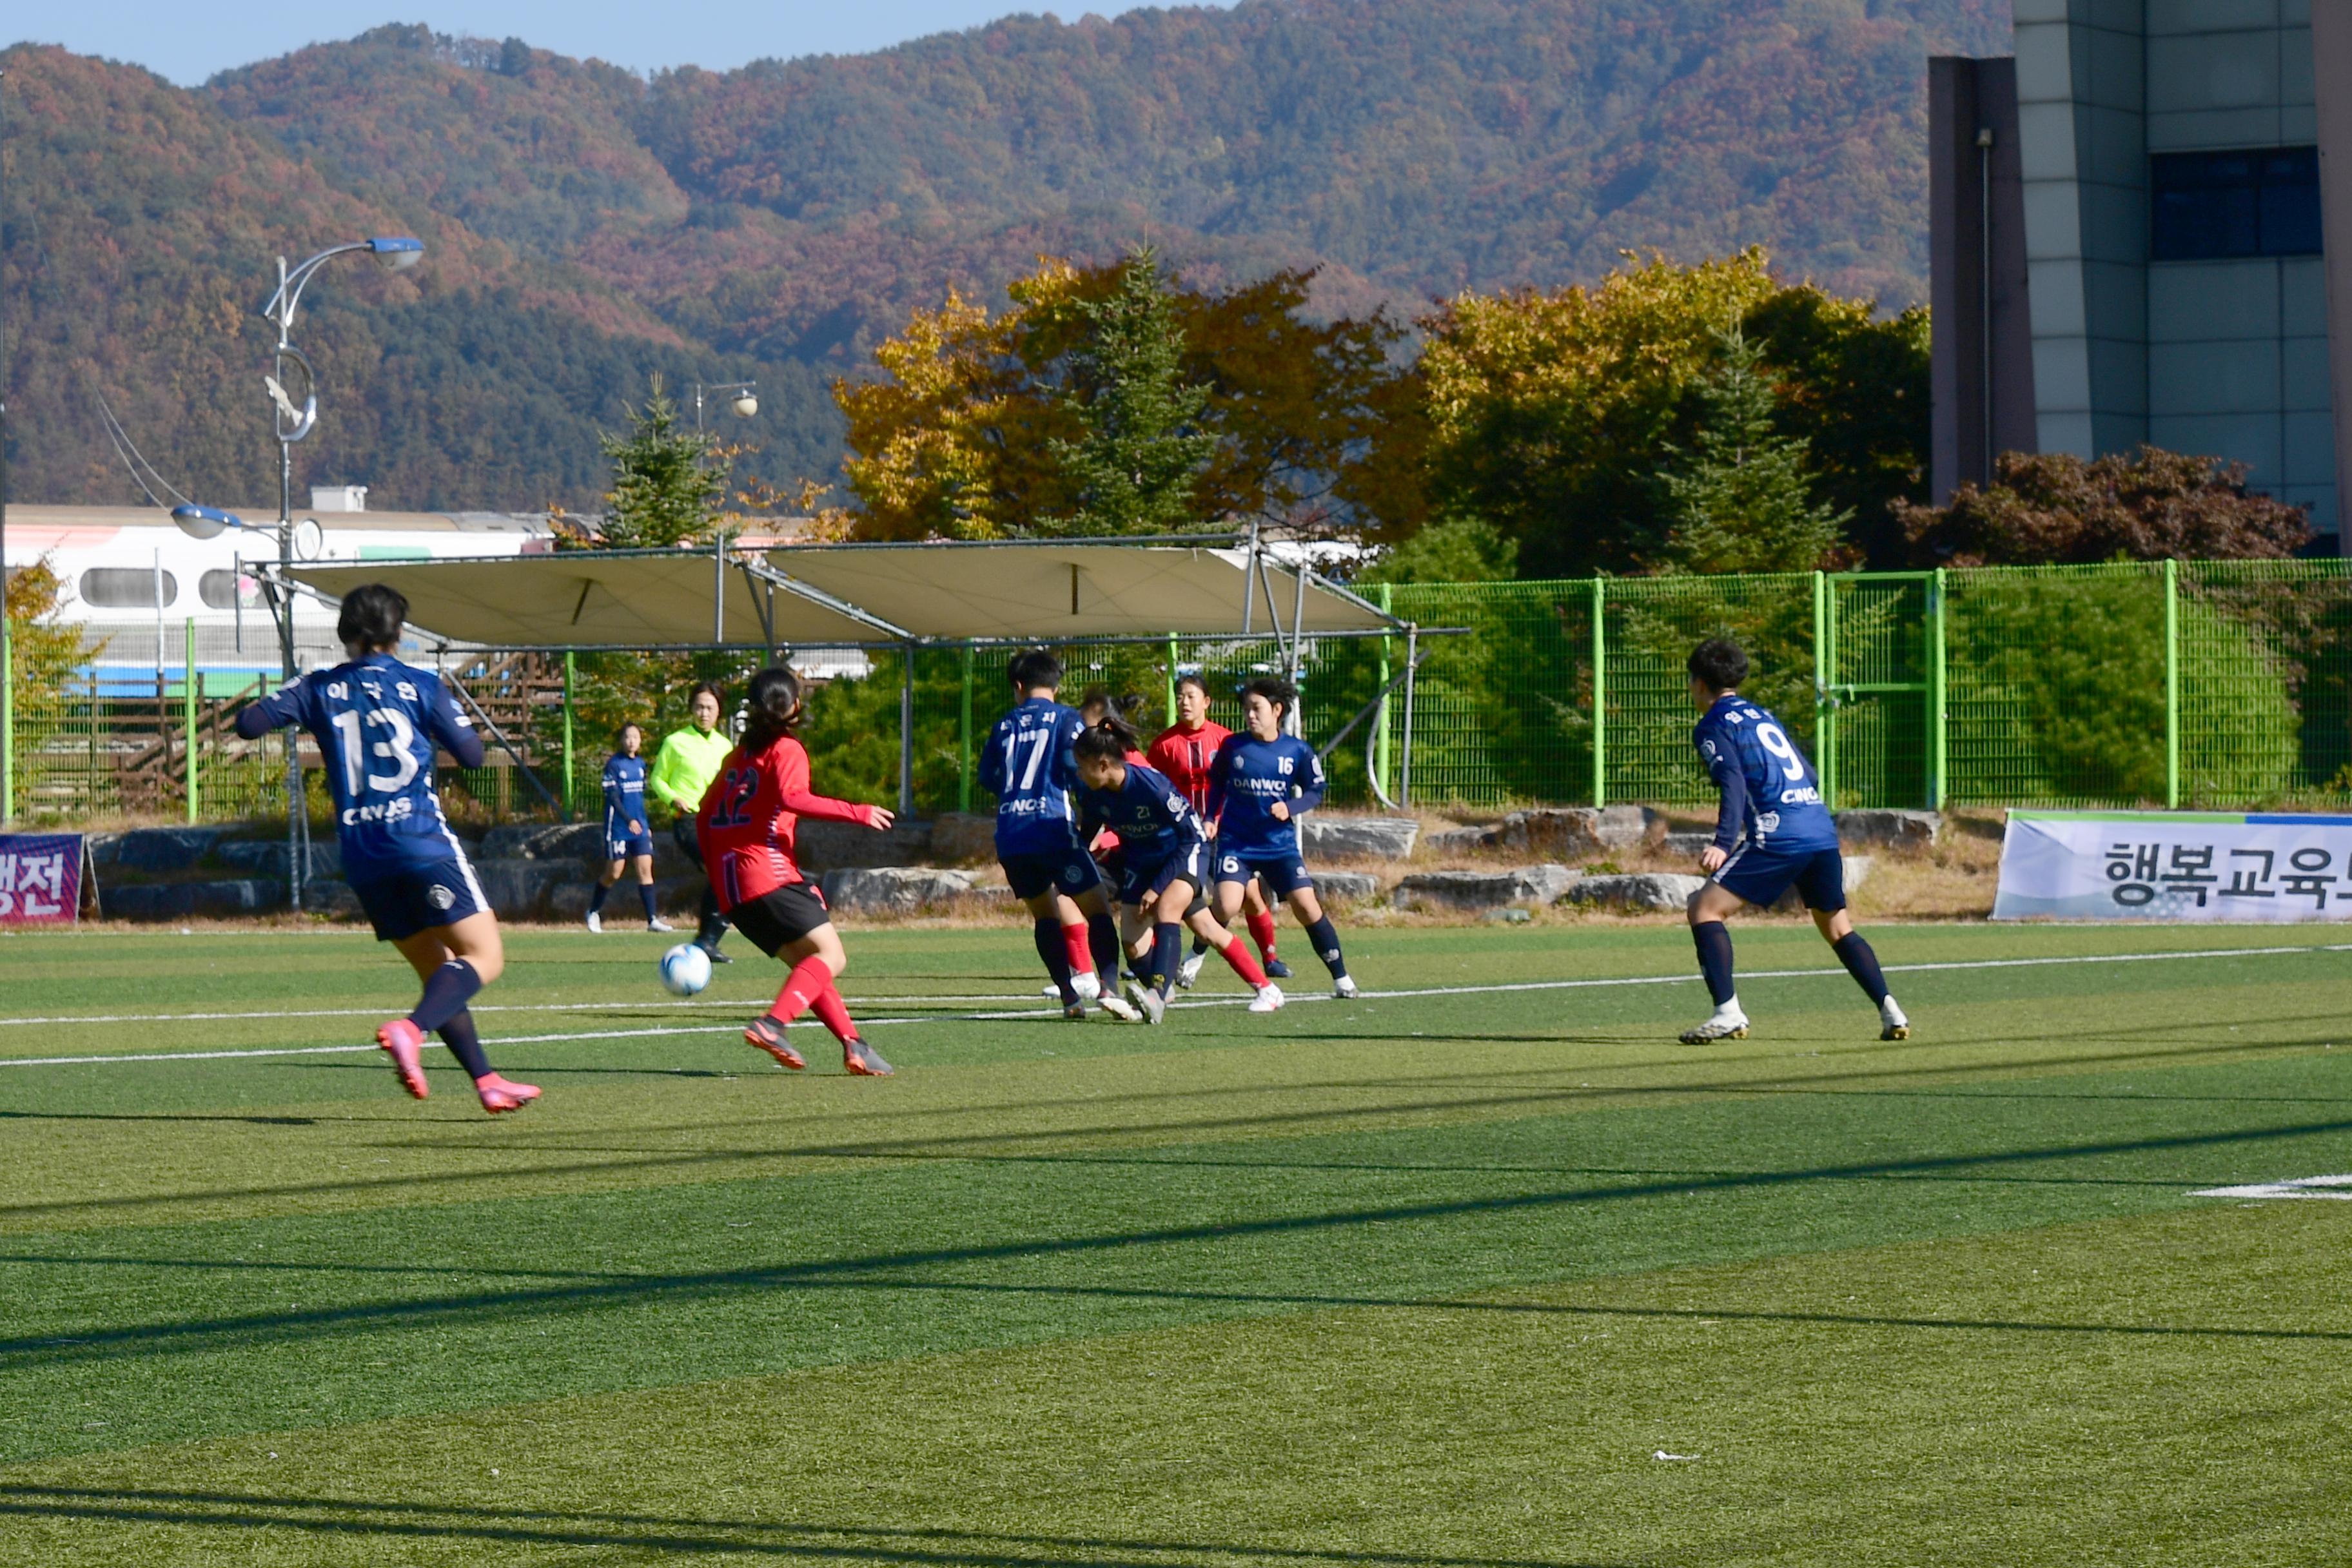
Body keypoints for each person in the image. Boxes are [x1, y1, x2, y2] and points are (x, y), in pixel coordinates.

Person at [233, 583, 538, 1113]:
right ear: (399, 632)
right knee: (483, 957)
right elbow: (471, 756)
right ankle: (412, 1029)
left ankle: (486, 1080)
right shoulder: (421, 683)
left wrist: (302, 690)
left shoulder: (318, 687)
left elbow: (248, 723)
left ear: (344, 633)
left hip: (364, 857)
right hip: (420, 842)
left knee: (439, 973)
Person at [1678, 638, 1910, 1044]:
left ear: (1699, 683)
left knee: (1703, 908)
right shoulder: (1762, 715)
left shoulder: (1712, 725)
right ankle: (1891, 1010)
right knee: (1838, 928)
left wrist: (1723, 841)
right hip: (1820, 827)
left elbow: (1732, 782)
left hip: (1779, 832)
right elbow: (1810, 774)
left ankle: (1727, 1012)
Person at [699, 665, 897, 1076]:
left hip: (732, 890)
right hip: (767, 873)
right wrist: (857, 811)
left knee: (808, 965)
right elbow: (793, 797)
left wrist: (719, 876)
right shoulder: (786, 749)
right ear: (794, 705)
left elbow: (704, 817)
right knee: (831, 955)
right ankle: (774, 1024)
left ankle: (854, 1044)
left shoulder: (736, 758)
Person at [1075, 727, 1282, 1023]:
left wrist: (1156, 888)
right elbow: (1087, 834)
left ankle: (1157, 993)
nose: (1079, 774)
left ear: (1104, 765)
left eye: (1082, 767)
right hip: (1144, 861)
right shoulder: (1094, 794)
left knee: (1167, 908)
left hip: (1187, 852)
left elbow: (1189, 837)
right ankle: (1266, 988)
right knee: (1143, 941)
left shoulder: (1151, 786)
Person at [977, 650, 1137, 1022]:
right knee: (1096, 905)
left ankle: (1069, 997)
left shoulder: (1003, 725)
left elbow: (988, 777)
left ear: (1018, 686)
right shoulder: (1068, 718)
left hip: (1012, 835)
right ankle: (1109, 988)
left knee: (1045, 914)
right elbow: (1074, 767)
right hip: (1052, 828)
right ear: (1057, 684)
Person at [1207, 676, 1357, 999]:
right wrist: (1210, 818)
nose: (1250, 715)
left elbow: (1316, 790)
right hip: (1238, 843)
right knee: (1226, 904)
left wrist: (1291, 807)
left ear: (1277, 710)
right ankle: (1193, 959)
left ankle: (1341, 977)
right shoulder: (1233, 746)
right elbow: (1217, 784)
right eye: (1246, 709)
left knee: (1306, 906)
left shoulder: (1297, 750)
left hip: (1279, 846)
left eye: (1256, 708)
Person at [1148, 673, 1287, 987]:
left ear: (1207, 702)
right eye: (1180, 696)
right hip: (1182, 838)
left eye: (1191, 696)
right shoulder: (1164, 745)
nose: (1184, 702)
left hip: (1224, 834)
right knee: (1167, 898)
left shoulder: (1226, 741)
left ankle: (1270, 958)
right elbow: (1152, 789)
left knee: (1249, 896)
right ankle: (1155, 958)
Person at [649, 681, 736, 963]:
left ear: (719, 711)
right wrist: (672, 797)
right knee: (720, 869)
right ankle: (707, 939)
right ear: (691, 709)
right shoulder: (675, 742)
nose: (704, 713)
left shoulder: (725, 746)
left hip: (719, 822)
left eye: (710, 707)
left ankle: (708, 939)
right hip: (688, 821)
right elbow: (657, 779)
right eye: (699, 706)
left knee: (725, 874)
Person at [586, 722, 672, 934]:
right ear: (621, 740)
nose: (632, 741)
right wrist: (628, 821)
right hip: (618, 827)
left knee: (645, 870)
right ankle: (593, 911)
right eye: (627, 737)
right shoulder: (614, 765)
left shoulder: (641, 765)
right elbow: (613, 798)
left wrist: (644, 824)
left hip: (639, 827)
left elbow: (639, 799)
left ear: (640, 740)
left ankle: (652, 919)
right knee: (614, 872)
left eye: (635, 737)